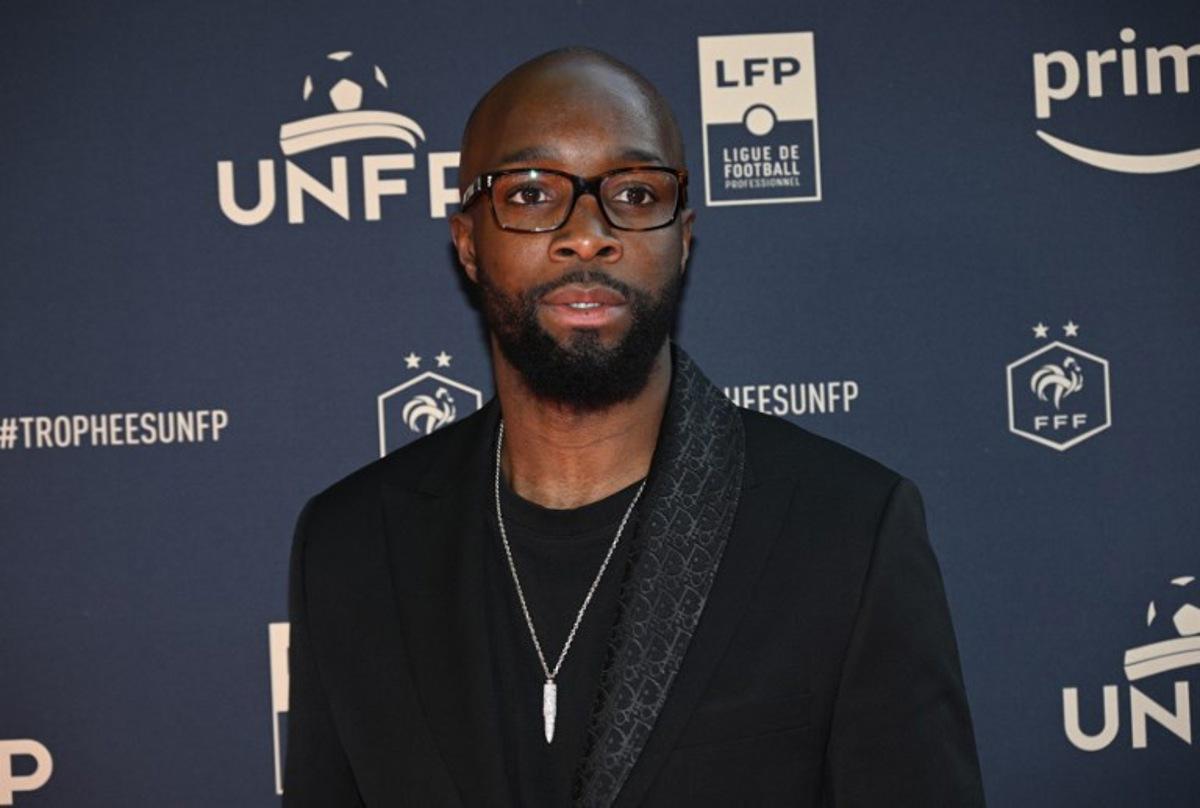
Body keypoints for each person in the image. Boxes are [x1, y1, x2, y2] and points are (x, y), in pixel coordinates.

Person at [283, 47, 985, 807]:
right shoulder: (352, 546)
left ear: (682, 238)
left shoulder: (846, 531)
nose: (588, 234)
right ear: (467, 244)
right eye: (528, 192)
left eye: (636, 192)